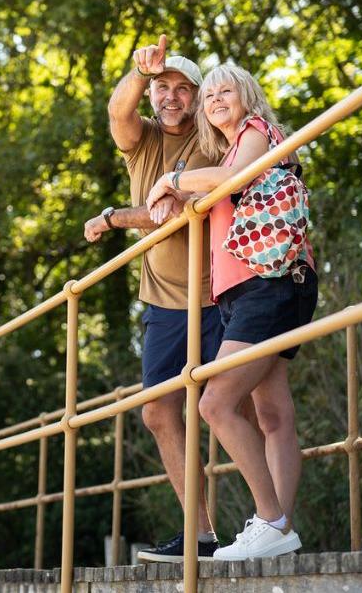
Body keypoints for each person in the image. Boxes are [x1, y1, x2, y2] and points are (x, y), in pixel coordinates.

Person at [145, 63, 317, 560]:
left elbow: (232, 176)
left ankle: (272, 521)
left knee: (215, 403)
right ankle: (277, 532)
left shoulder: (255, 133)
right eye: (211, 93)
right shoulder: (227, 152)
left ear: (247, 96)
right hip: (251, 291)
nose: (217, 97)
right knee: (271, 410)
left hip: (269, 286)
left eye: (227, 89)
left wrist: (172, 177)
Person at [84, 34, 227, 562]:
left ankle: (273, 524)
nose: (171, 96)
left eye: (182, 88)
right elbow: (116, 110)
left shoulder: (214, 139)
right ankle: (201, 533)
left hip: (222, 293)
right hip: (165, 302)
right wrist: (141, 72)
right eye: (161, 87)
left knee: (248, 407)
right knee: (159, 412)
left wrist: (113, 218)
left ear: (197, 95)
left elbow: (169, 209)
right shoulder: (140, 139)